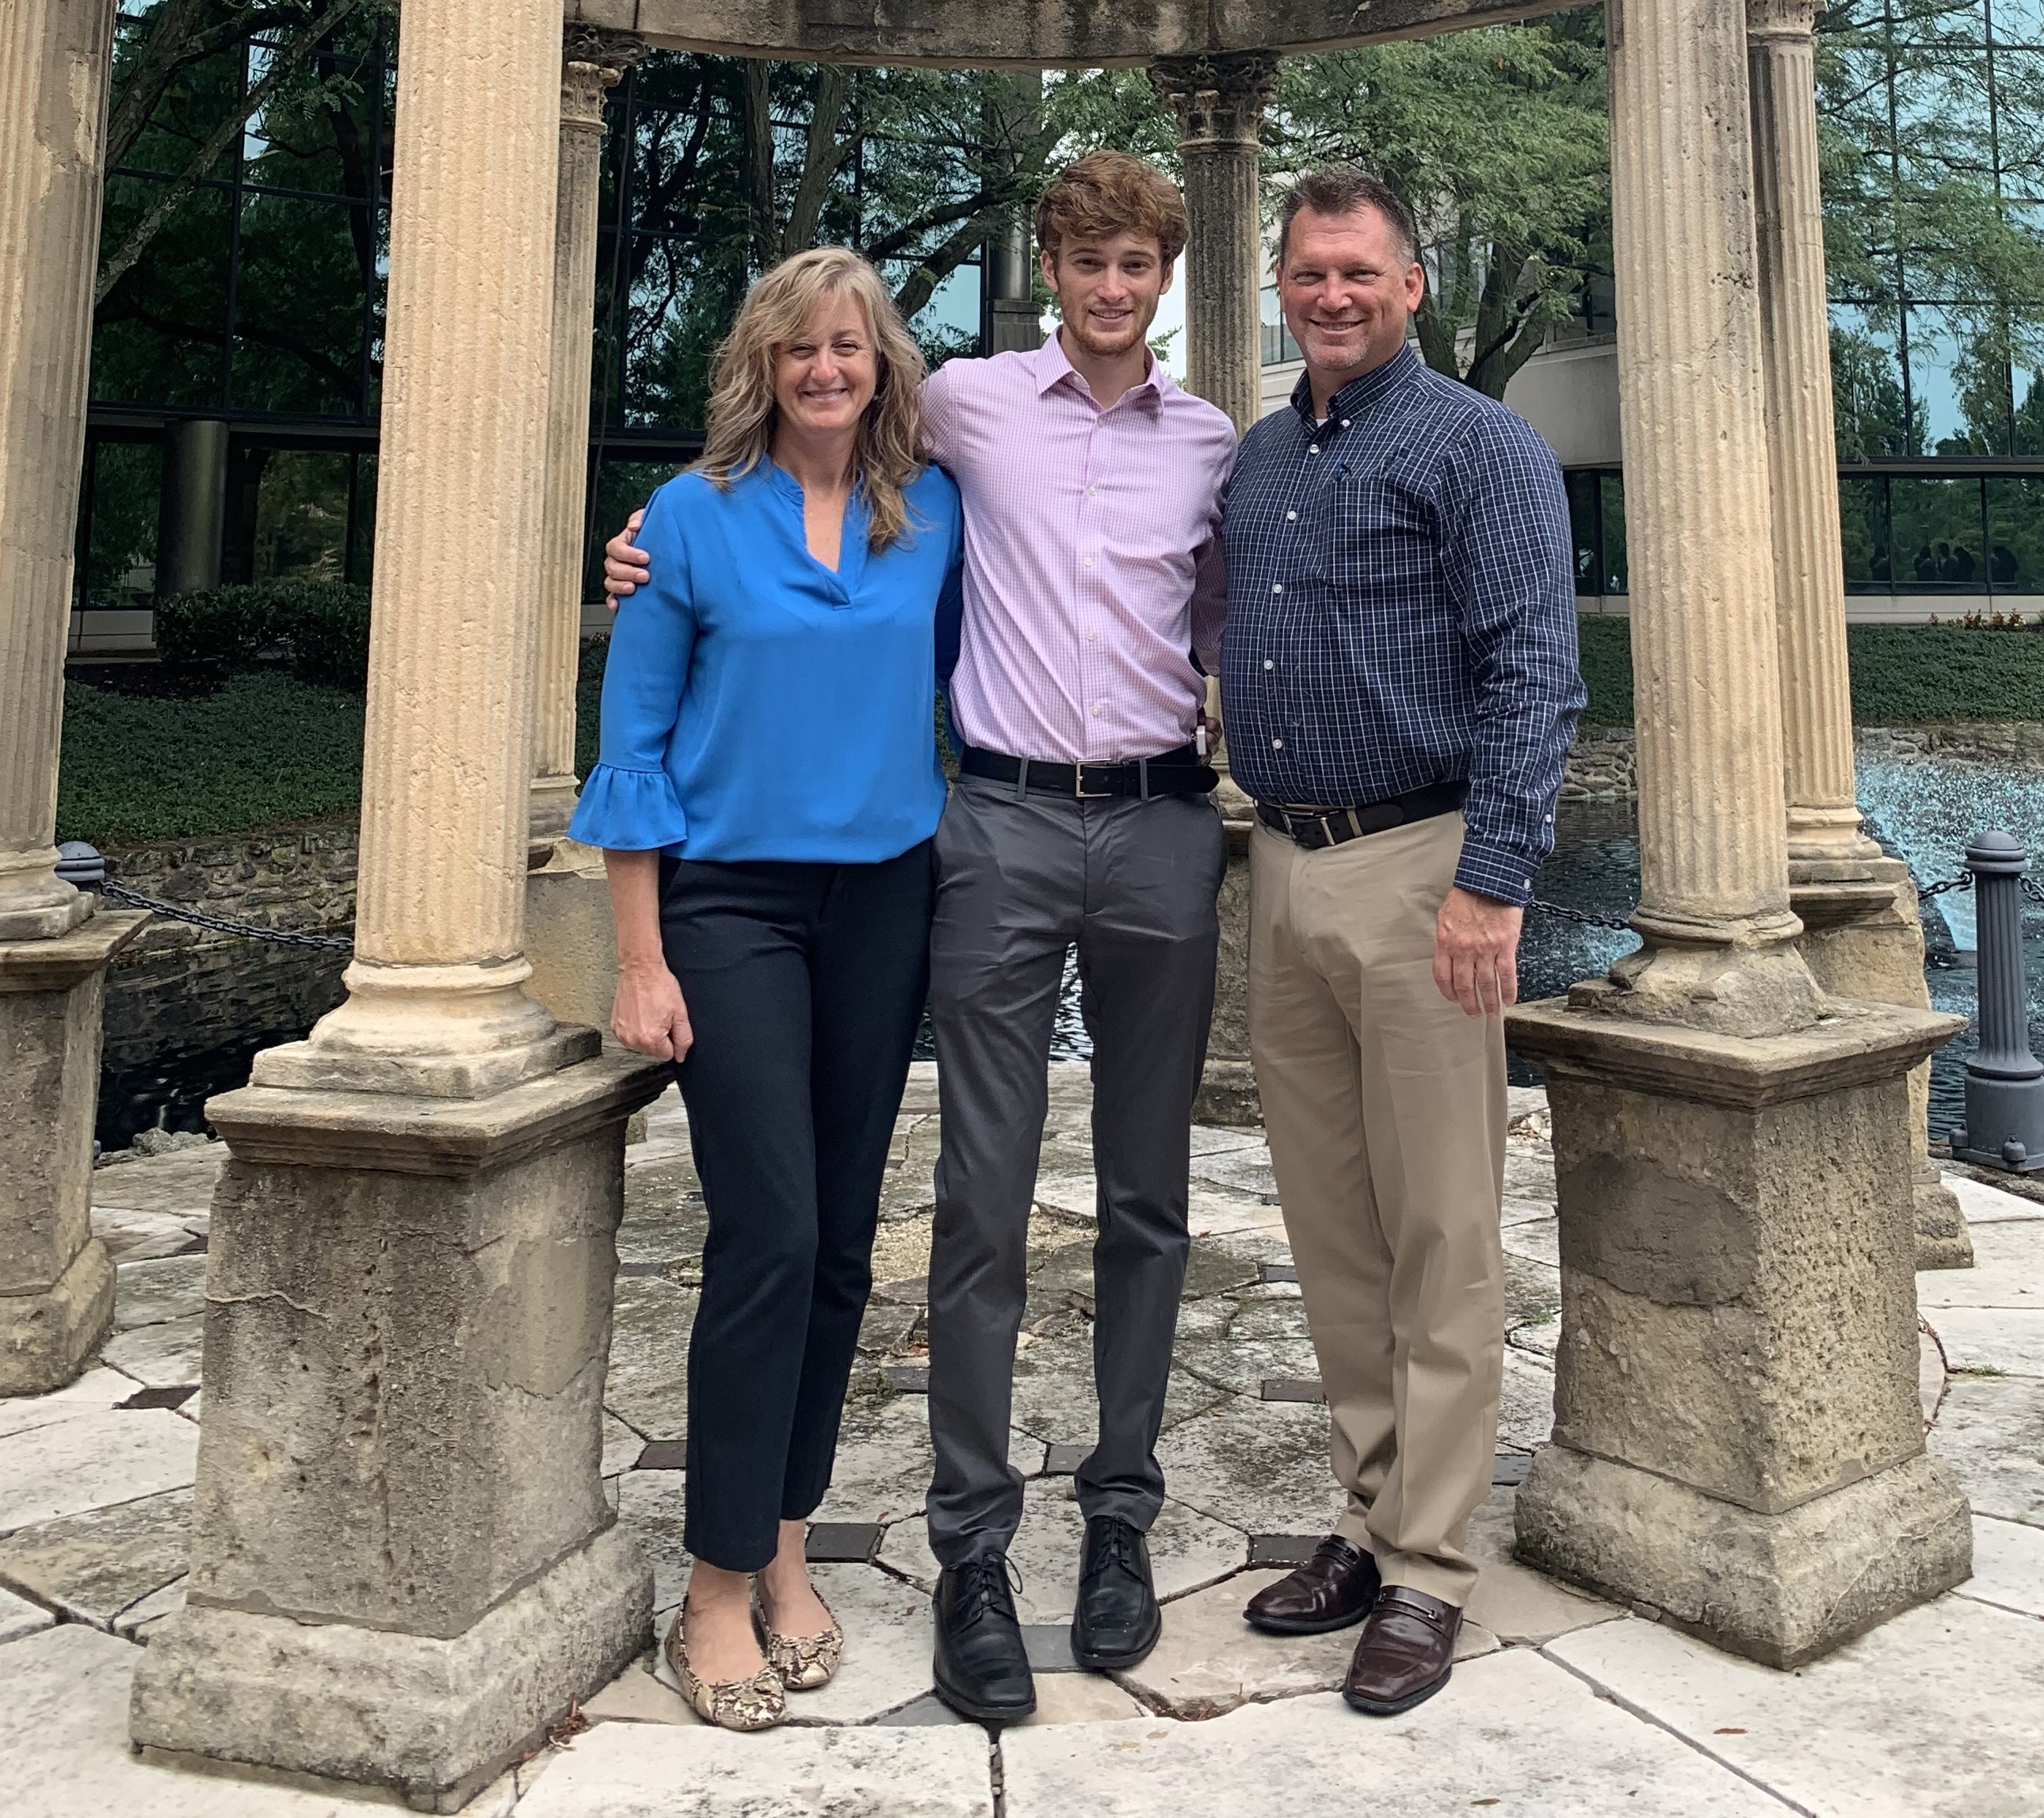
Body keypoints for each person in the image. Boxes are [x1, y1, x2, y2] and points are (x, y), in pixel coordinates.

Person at [604, 153, 1237, 1724]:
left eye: (1135, 262)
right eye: (1084, 258)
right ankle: (840, 1566)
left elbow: (1220, 611)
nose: (828, 369)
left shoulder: (1032, 483)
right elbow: (651, 697)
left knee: (991, 1224)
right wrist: (645, 546)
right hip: (864, 871)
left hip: (1021, 856)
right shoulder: (866, 450)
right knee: (867, 1220)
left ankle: (992, 1530)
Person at [571, 247, 962, 1732]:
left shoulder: (931, 515)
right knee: (770, 1230)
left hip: (885, 900)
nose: (826, 369)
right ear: (763, 363)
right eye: (800, 348)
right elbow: (636, 742)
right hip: (730, 905)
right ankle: (714, 1582)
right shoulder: (684, 519)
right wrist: (639, 955)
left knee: (847, 1241)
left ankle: (791, 1550)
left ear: (881, 365)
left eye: (849, 346)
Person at [1221, 169, 1585, 1717]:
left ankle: (1430, 1566)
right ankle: (1366, 1520)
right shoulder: (1253, 458)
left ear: (1410, 283)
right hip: (1284, 871)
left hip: (1426, 868)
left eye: (1358, 271)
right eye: (1309, 272)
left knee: (1441, 1231)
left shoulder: (1481, 446)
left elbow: (1535, 674)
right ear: (1283, 286)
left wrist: (1492, 888)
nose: (1332, 294)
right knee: (1333, 1228)